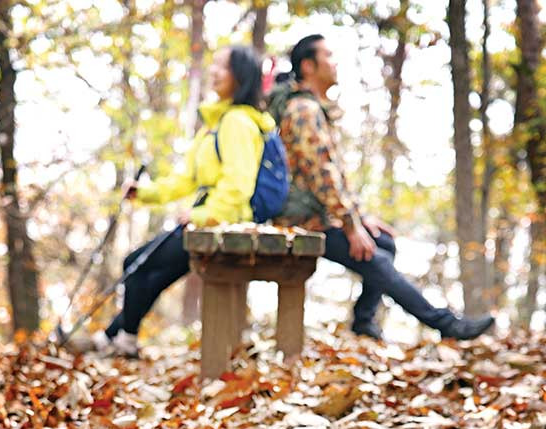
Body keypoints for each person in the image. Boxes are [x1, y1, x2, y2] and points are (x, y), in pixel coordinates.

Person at [267, 35, 495, 341]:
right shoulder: (304, 111)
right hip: (302, 223)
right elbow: (322, 176)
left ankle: (364, 321)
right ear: (308, 66)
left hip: (317, 216)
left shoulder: (313, 109)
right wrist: (350, 226)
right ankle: (447, 325)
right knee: (375, 256)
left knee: (384, 242)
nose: (335, 62)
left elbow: (334, 175)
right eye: (328, 55)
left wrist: (360, 217)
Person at [75, 45, 276, 357]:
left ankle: (122, 340)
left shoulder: (237, 122)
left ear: (241, 76)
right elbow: (185, 180)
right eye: (215, 65)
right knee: (154, 273)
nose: (214, 71)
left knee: (136, 263)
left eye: (223, 66)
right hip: (214, 215)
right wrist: (145, 193)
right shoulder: (217, 124)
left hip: (227, 219)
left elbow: (238, 185)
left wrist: (204, 216)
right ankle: (112, 338)